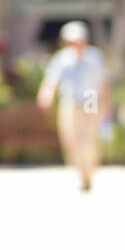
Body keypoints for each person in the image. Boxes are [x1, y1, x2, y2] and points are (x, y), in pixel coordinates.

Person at [37, 21, 111, 192]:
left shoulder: (94, 57)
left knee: (89, 138)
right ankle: (81, 172)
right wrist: (46, 95)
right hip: (70, 101)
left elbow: (104, 83)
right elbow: (51, 80)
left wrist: (106, 104)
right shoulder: (62, 58)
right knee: (70, 138)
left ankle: (89, 171)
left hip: (91, 98)